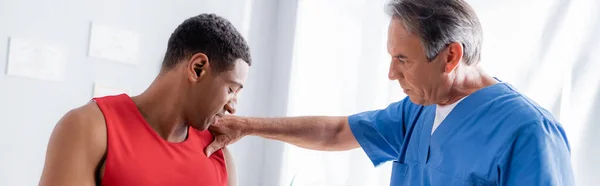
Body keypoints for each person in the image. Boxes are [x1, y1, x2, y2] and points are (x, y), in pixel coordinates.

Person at [205, 0, 575, 185]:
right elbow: (336, 132)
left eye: (403, 59)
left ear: (451, 56)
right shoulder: (418, 111)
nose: (391, 72)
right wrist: (247, 126)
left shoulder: (528, 134)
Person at [39, 14, 250, 186]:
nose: (232, 107)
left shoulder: (219, 157)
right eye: (231, 89)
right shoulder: (89, 127)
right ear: (198, 68)